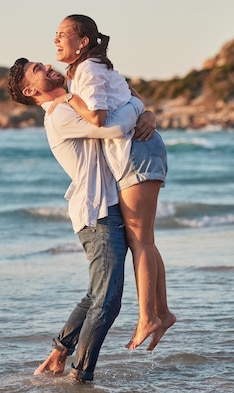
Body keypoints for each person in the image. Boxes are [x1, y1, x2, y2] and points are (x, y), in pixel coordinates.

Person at [6, 57, 149, 382]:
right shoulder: (61, 114)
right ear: (30, 90)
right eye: (37, 70)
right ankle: (80, 377)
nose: (47, 66)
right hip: (97, 212)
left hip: (103, 207)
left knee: (96, 292)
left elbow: (113, 110)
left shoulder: (74, 103)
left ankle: (60, 352)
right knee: (108, 300)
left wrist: (144, 111)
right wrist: (141, 104)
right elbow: (114, 126)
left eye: (42, 63)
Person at [51, 14, 176, 350]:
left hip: (137, 151)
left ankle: (149, 316)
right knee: (145, 240)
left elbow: (99, 118)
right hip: (138, 151)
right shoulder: (90, 68)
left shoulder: (89, 70)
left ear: (83, 41)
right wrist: (143, 109)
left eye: (63, 34)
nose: (56, 40)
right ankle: (160, 312)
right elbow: (132, 96)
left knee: (142, 242)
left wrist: (65, 99)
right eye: (56, 34)